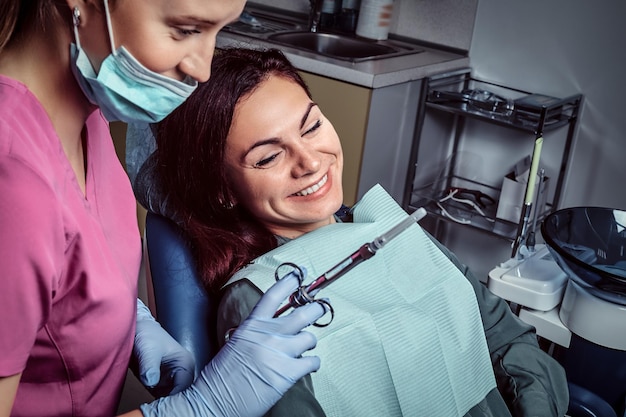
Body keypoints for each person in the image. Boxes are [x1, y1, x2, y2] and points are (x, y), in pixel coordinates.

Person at [140, 47, 570, 417]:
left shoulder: (392, 227)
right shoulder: (260, 301)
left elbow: (506, 336)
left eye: (311, 126)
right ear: (224, 190)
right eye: (269, 157)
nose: (310, 162)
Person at [0, 1, 326, 416]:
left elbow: (58, 262)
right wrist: (201, 408)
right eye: (185, 30)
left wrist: (126, 319)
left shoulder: (82, 111)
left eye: (218, 31)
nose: (202, 69)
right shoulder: (12, 177)